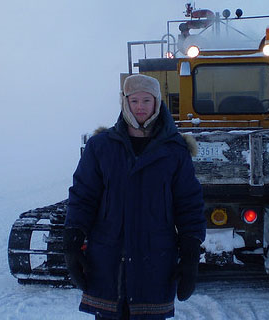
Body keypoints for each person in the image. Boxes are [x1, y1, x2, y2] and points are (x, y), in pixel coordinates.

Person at [63, 74, 206, 320]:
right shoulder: (101, 147)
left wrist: (191, 254)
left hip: (155, 260)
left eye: (146, 101)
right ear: (125, 103)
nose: (140, 107)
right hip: (107, 259)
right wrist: (72, 244)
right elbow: (83, 196)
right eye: (134, 101)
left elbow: (188, 203)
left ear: (157, 103)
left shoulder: (174, 150)